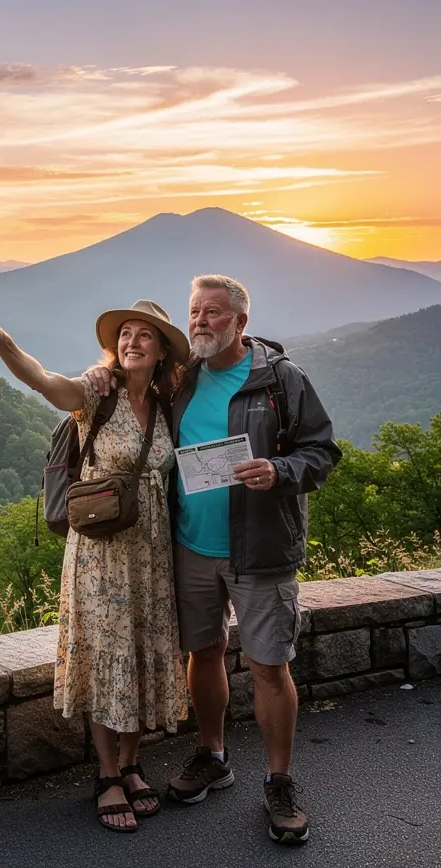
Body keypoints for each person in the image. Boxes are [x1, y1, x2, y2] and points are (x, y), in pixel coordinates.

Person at [85, 275, 342, 845]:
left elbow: (322, 451)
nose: (200, 321)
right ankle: (214, 754)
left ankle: (279, 781)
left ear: (240, 323)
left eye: (214, 313)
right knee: (203, 655)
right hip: (190, 545)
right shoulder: (182, 378)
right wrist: (103, 371)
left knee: (270, 665)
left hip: (260, 550)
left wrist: (280, 472)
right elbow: (130, 387)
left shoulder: (279, 379)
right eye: (195, 311)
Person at [0, 299, 191, 833]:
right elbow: (43, 381)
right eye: (126, 334)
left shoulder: (167, 405)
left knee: (140, 654)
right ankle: (107, 774)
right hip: (101, 559)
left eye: (146, 336)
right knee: (105, 656)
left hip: (154, 558)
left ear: (161, 353)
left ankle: (134, 765)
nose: (133, 342)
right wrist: (2, 341)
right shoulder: (95, 395)